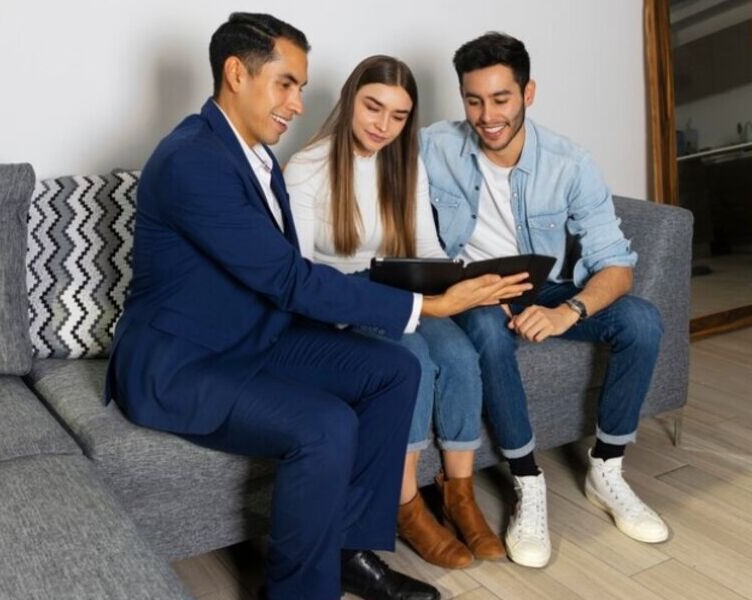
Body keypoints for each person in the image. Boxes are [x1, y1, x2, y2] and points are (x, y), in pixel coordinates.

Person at [104, 14, 528, 600]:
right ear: (236, 73)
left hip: (254, 336)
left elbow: (280, 279)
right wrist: (428, 305)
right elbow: (288, 278)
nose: (298, 104)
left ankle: (348, 553)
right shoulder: (191, 160)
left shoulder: (252, 154)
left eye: (300, 88)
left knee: (395, 369)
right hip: (183, 365)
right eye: (286, 84)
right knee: (326, 424)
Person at [418, 32, 669, 569]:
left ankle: (607, 469)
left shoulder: (569, 162)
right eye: (474, 100)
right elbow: (366, 164)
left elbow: (617, 266)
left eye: (501, 99)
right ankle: (527, 481)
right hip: (473, 290)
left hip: (547, 285)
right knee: (486, 330)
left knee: (642, 321)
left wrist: (565, 311)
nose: (488, 116)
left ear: (527, 93)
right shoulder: (433, 146)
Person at [286, 55, 507, 570]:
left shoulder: (405, 165)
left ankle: (458, 495)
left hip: (402, 291)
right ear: (349, 99)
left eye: (399, 115)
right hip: (346, 300)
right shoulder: (307, 167)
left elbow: (426, 249)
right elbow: (299, 271)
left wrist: (462, 281)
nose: (383, 125)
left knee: (459, 355)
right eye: (373, 107)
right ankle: (405, 503)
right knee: (413, 361)